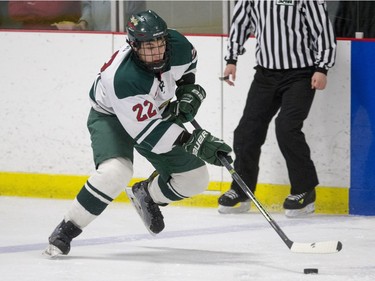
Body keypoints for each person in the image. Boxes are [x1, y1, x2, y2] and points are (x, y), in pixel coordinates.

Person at [43, 10, 232, 257]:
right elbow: (150, 134)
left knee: (195, 180)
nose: (156, 51)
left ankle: (147, 194)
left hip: (151, 113)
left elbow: (188, 67)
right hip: (111, 117)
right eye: (147, 46)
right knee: (116, 171)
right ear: (133, 45)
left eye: (159, 43)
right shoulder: (123, 78)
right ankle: (66, 230)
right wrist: (193, 141)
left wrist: (187, 90)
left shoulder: (178, 44)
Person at [218, 0, 337, 217]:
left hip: (301, 74)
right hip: (265, 75)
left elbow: (322, 30)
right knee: (246, 132)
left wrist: (322, 67)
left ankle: (304, 191)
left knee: (286, 128)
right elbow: (241, 23)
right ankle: (241, 190)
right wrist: (232, 59)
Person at [8, 0, 81, 30]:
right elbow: (15, 11)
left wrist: (29, 4)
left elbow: (53, 10)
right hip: (26, 35)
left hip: (58, 36)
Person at [76, 1, 146, 31]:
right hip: (96, 38)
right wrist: (83, 23)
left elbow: (136, 17)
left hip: (125, 40)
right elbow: (87, 5)